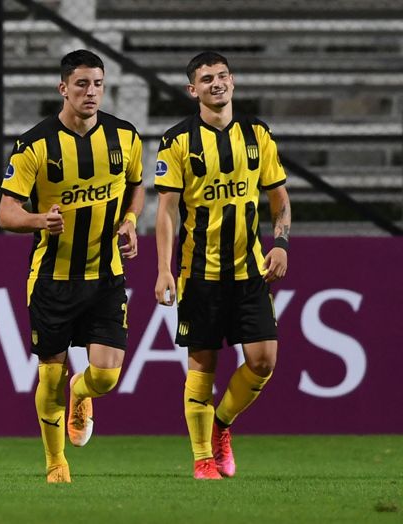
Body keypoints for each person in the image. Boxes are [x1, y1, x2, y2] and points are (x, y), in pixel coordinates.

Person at [0, 50, 144, 483]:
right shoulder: (34, 145)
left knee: (105, 377)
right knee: (50, 372)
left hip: (105, 275)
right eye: (81, 84)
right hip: (51, 279)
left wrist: (132, 221)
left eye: (97, 83)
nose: (91, 92)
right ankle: (55, 462)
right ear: (63, 88)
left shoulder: (125, 137)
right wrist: (38, 220)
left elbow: (137, 187)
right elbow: (7, 213)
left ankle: (82, 393)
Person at [153, 51, 292, 480]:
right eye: (207, 78)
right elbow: (166, 212)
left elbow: (279, 198)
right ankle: (201, 458)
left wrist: (281, 242)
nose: (217, 83)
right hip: (200, 273)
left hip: (250, 271)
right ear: (192, 90)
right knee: (203, 365)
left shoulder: (257, 135)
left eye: (223, 76)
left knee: (264, 361)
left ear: (233, 82)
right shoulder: (177, 140)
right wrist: (163, 270)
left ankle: (222, 425)